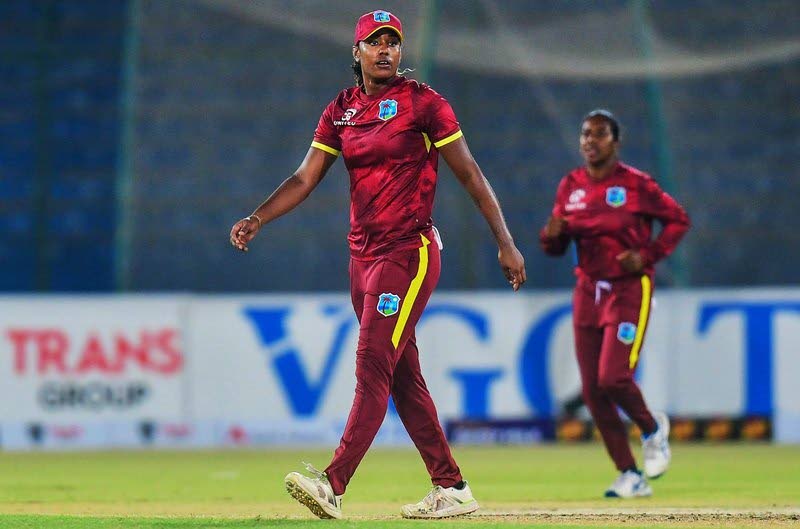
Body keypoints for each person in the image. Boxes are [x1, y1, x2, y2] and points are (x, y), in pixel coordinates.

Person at [229, 9, 526, 519]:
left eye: (393, 42)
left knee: (371, 360)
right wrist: (259, 217)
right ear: (357, 52)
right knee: (402, 374)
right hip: (361, 258)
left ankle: (333, 483)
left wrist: (505, 241)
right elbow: (305, 178)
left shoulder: (424, 104)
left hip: (408, 253)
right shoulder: (341, 110)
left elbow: (470, 173)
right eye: (375, 42)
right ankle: (451, 488)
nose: (386, 50)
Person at [539, 109, 689, 498]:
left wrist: (648, 255)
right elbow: (554, 246)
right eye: (586, 134)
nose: (591, 141)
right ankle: (630, 474)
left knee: (613, 377)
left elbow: (677, 219)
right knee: (592, 391)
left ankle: (653, 430)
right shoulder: (570, 186)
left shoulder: (637, 185)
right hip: (588, 291)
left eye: (600, 134)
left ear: (616, 142)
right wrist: (551, 236)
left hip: (628, 290)